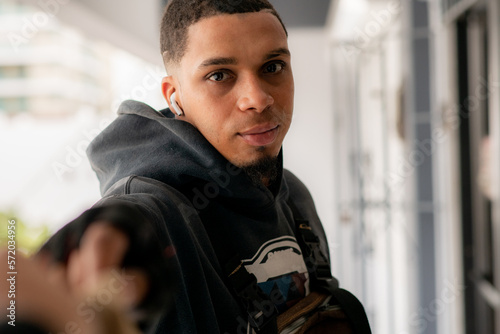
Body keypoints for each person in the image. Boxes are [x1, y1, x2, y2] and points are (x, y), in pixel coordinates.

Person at [1, 1, 371, 333]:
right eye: (220, 75)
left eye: (273, 66)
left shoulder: (293, 193)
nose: (257, 98)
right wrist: (103, 236)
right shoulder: (159, 209)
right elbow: (132, 223)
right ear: (173, 95)